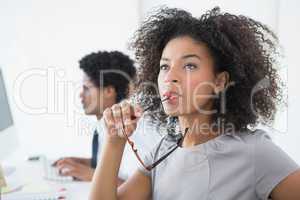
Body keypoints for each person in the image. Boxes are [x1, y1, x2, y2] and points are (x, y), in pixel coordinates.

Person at [90, 7, 300, 200]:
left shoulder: (255, 151)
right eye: (164, 66)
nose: (170, 77)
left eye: (189, 65)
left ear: (220, 81)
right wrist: (114, 141)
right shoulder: (162, 151)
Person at [53, 50, 138, 182]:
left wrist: (88, 173)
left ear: (108, 91)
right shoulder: (104, 124)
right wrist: (80, 163)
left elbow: (134, 188)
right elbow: (110, 164)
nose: (81, 95)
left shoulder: (129, 128)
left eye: (86, 88)